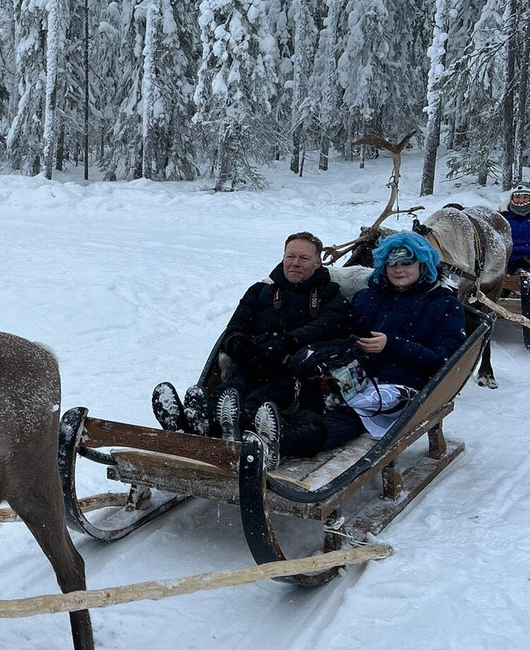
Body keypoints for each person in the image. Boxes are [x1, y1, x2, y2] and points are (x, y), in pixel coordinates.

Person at [251, 231, 466, 469]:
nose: (398, 269)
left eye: (406, 263)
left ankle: (288, 441)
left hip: (403, 385)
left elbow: (446, 359)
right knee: (313, 389)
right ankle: (268, 428)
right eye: (391, 264)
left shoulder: (444, 305)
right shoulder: (369, 297)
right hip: (357, 374)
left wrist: (392, 345)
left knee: (351, 414)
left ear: (423, 266)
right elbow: (346, 335)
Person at [153, 232, 351, 438]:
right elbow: (234, 329)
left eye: (304, 258)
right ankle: (193, 420)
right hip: (254, 362)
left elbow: (328, 325)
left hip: (294, 372)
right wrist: (242, 348)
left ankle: (235, 423)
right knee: (230, 390)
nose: (295, 263)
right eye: (290, 256)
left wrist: (288, 342)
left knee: (259, 400)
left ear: (319, 262)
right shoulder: (261, 291)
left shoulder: (331, 295)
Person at [501, 184, 530, 274]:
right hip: (508, 259)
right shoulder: (502, 217)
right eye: (517, 197)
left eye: (525, 197)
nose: (521, 201)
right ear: (512, 198)